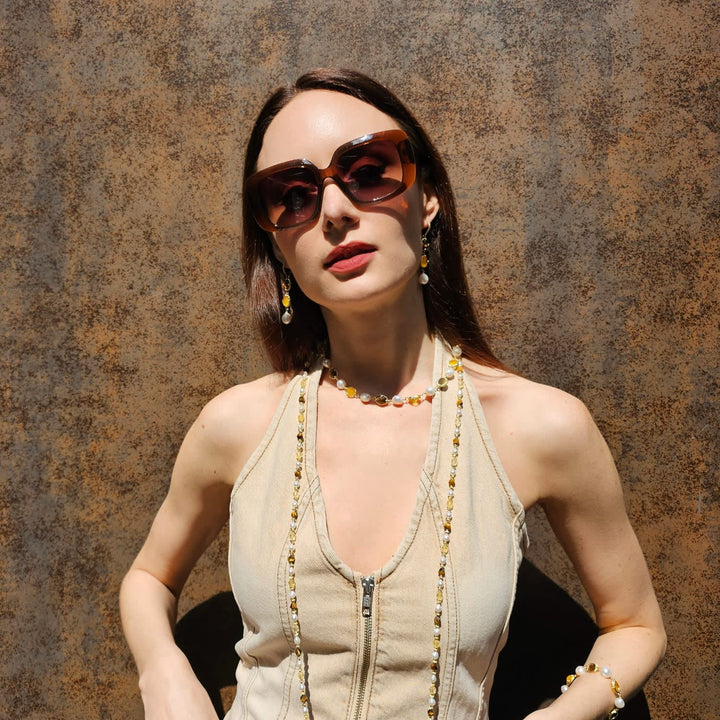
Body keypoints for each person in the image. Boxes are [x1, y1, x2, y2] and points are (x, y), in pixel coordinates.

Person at [119, 68, 666, 720]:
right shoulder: (238, 425)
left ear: (427, 197)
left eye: (368, 171)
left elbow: (636, 625)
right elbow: (148, 578)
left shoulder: (540, 426)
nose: (334, 212)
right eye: (292, 195)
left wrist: (561, 716)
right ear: (277, 245)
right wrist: (163, 673)